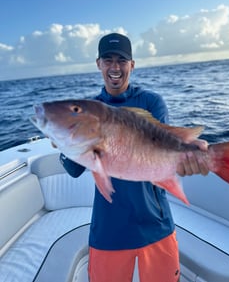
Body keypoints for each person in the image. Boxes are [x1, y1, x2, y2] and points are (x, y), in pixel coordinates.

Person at [59, 32, 209, 282]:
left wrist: (191, 155)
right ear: (98, 64)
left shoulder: (151, 102)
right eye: (108, 60)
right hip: (109, 231)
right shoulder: (87, 111)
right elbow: (73, 170)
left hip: (155, 226)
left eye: (121, 60)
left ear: (132, 65)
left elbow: (165, 149)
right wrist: (69, 136)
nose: (115, 67)